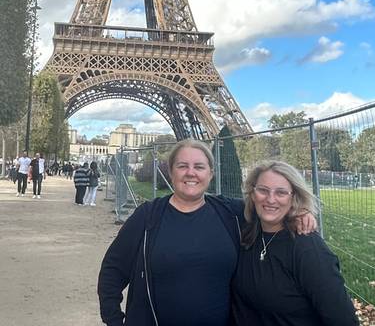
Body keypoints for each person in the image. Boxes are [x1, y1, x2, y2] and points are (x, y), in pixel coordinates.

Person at [97, 139, 316, 326]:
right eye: (182, 166)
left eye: (199, 167)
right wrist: (115, 321)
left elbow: (270, 208)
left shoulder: (232, 212)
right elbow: (112, 271)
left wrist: (298, 213)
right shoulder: (147, 217)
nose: (190, 172)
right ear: (171, 172)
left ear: (211, 173)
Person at [230, 160, 359, 326]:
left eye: (281, 193)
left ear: (294, 197)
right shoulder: (246, 232)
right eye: (263, 190)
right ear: (253, 193)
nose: (270, 199)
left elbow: (343, 319)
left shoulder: (308, 249)